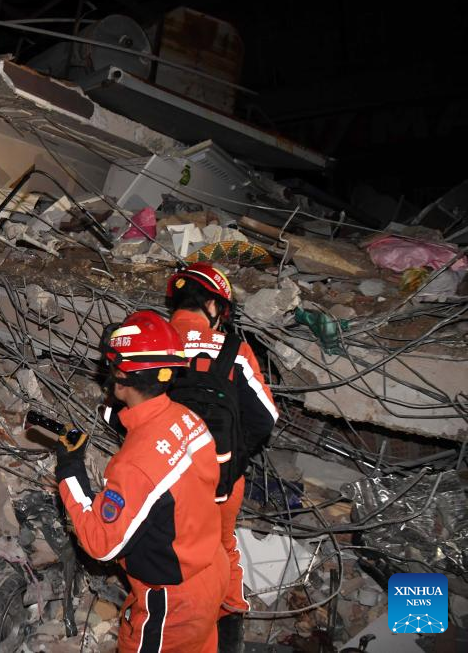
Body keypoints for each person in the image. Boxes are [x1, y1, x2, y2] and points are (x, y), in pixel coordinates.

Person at [56, 310, 229, 652]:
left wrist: (69, 469)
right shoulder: (188, 419)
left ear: (121, 375)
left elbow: (101, 543)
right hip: (210, 569)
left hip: (173, 601)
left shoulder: (135, 465)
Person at [166, 263, 279, 651]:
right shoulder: (234, 349)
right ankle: (226, 629)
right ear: (214, 305)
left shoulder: (152, 339)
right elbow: (265, 418)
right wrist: (233, 458)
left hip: (159, 478)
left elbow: (116, 411)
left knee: (165, 551)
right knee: (221, 548)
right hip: (220, 481)